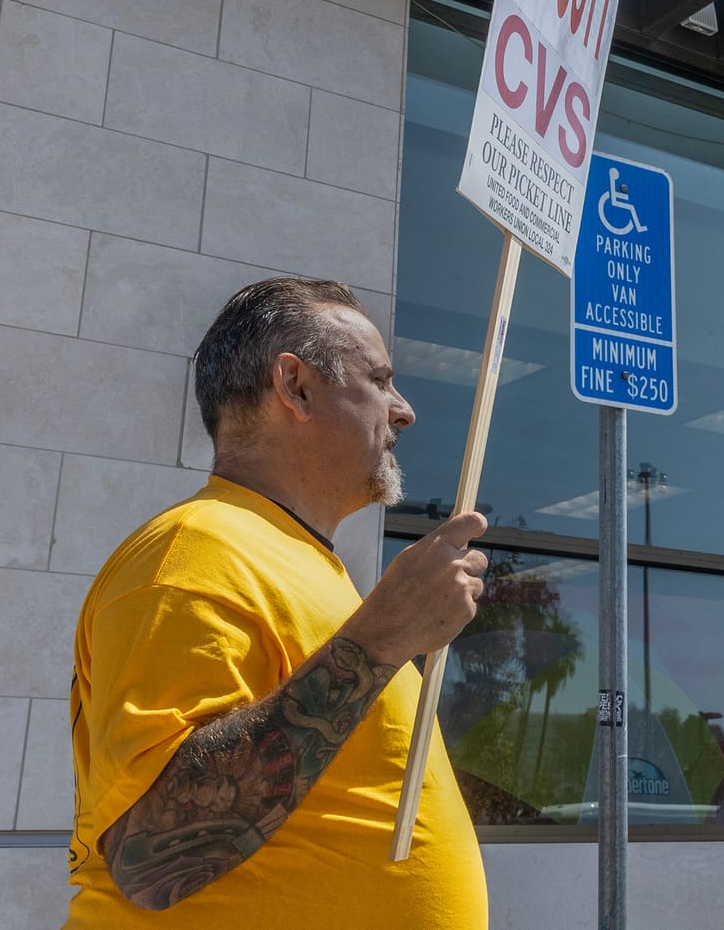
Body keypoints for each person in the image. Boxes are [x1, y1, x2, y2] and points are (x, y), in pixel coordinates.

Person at [64, 278, 490, 928]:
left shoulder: (294, 559)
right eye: (379, 380)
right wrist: (383, 636)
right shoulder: (196, 550)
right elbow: (150, 859)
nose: (403, 410)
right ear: (295, 386)